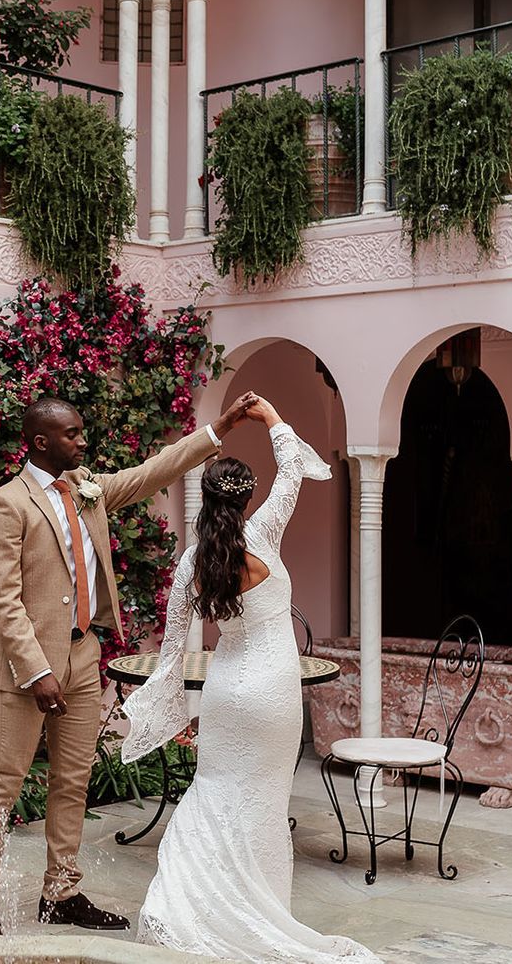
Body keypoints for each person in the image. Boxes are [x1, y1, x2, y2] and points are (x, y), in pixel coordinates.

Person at [0, 391, 260, 936]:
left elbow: (152, 472)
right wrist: (36, 671)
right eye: (72, 434)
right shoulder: (7, 503)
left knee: (73, 781)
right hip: (25, 668)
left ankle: (62, 893)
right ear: (40, 442)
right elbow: (3, 600)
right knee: (6, 780)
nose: (82, 441)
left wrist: (216, 429)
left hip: (82, 654)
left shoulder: (86, 490)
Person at [121, 395, 383, 963]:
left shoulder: (193, 562)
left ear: (205, 500)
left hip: (227, 692)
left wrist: (153, 705)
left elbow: (171, 650)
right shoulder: (265, 532)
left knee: (215, 795)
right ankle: (262, 912)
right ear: (246, 499)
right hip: (273, 691)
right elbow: (292, 469)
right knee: (263, 806)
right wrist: (268, 416)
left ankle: (183, 909)